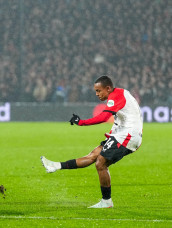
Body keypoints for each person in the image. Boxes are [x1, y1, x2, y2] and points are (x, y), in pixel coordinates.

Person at [41, 75, 143, 208]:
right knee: (93, 155)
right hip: (123, 134)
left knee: (101, 163)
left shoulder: (116, 95)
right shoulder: (120, 94)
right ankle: (55, 166)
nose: (97, 94)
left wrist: (81, 122)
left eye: (99, 91)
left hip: (128, 135)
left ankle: (106, 201)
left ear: (108, 88)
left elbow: (104, 117)